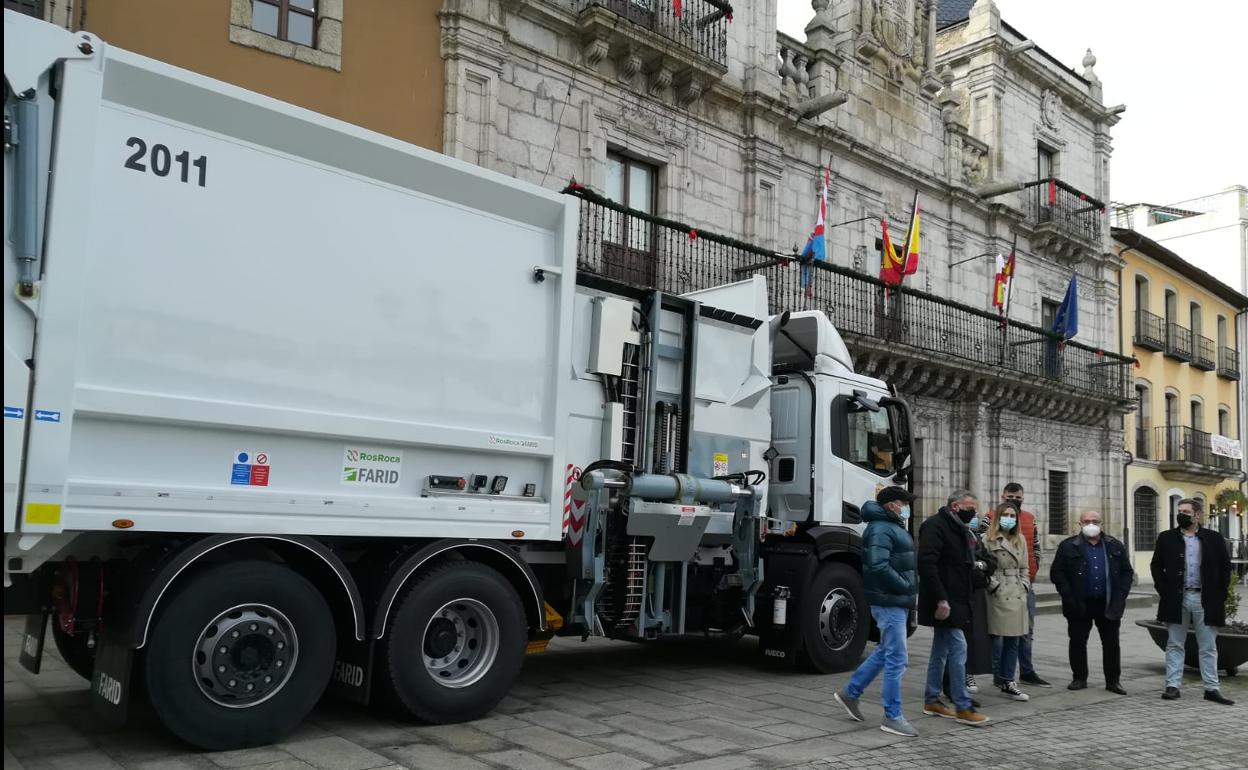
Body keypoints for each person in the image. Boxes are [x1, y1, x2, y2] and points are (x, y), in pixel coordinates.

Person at [835, 487, 920, 737]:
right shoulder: (882, 528)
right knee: (897, 658)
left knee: (886, 652)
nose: (907, 507)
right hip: (890, 601)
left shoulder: (888, 525)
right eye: (904, 503)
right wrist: (904, 585)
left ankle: (850, 693)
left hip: (895, 600)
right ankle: (892, 716)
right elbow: (877, 564)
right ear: (891, 505)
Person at [917, 490, 991, 726]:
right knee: (959, 649)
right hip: (945, 601)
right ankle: (962, 705)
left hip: (959, 599)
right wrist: (940, 599)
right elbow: (927, 564)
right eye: (970, 507)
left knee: (940, 651)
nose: (974, 512)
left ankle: (932, 699)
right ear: (955, 506)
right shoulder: (935, 526)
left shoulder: (961, 529)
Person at [1151, 498, 1234, 705]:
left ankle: (1211, 688)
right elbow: (1156, 566)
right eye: (1179, 510)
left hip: (1204, 598)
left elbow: (1225, 568)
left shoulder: (1214, 539)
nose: (1181, 514)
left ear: (1197, 515)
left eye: (1186, 511)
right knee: (1175, 643)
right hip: (1176, 597)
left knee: (1208, 645)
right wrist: (1164, 590)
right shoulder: (1166, 538)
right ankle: (1172, 686)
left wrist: (1220, 594)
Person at [1050, 510, 1133, 694]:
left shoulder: (1114, 545)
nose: (1091, 524)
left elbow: (1127, 571)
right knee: (1078, 641)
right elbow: (1057, 572)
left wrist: (1121, 594)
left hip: (1108, 603)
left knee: (1111, 643)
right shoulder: (1068, 546)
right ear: (1079, 524)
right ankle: (1079, 678)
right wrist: (1067, 594)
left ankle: (1113, 681)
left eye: (1095, 521)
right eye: (1086, 521)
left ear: (1101, 523)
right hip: (1079, 603)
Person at [991, 483, 1050, 688]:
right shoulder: (990, 517)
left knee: (1026, 631)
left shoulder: (1029, 519)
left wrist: (1028, 580)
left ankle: (1027, 670)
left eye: (1018, 497)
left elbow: (1036, 549)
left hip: (1024, 586)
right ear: (1002, 496)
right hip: (1000, 587)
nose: (1014, 500)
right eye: (1010, 497)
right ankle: (998, 673)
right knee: (999, 634)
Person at [982, 503, 1033, 701]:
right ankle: (990, 675)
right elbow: (982, 567)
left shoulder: (1020, 539)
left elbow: (1025, 567)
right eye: (1006, 515)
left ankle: (1008, 680)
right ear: (998, 517)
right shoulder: (987, 538)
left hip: (1017, 591)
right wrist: (993, 586)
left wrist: (1025, 585)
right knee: (996, 639)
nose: (1009, 519)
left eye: (1013, 515)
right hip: (998, 591)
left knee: (1015, 638)